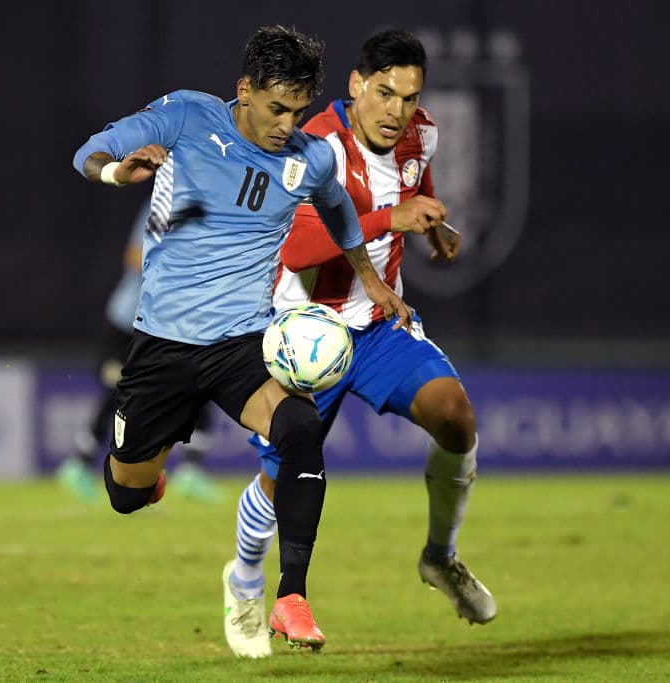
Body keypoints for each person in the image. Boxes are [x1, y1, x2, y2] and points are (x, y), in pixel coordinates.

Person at [71, 25, 417, 652]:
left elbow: (338, 211)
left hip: (243, 345)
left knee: (300, 429)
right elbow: (89, 152)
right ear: (244, 90)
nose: (287, 124)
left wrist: (372, 281)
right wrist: (117, 173)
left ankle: (290, 597)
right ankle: (150, 476)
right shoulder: (185, 116)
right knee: (125, 493)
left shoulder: (307, 158)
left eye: (299, 111)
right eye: (276, 108)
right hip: (162, 346)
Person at [221, 29, 496, 659]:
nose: (396, 109)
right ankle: (244, 579)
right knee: (278, 478)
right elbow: (297, 249)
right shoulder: (314, 144)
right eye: (383, 92)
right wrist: (388, 220)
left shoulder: (420, 134)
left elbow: (410, 188)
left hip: (376, 326)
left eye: (409, 95)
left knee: (456, 417)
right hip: (305, 336)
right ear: (355, 85)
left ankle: (440, 557)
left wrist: (432, 230)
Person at [56, 198, 221, 504]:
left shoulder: (219, 205)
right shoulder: (166, 202)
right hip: (131, 322)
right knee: (119, 391)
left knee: (201, 386)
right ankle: (78, 464)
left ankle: (190, 471)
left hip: (178, 322)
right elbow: (134, 257)